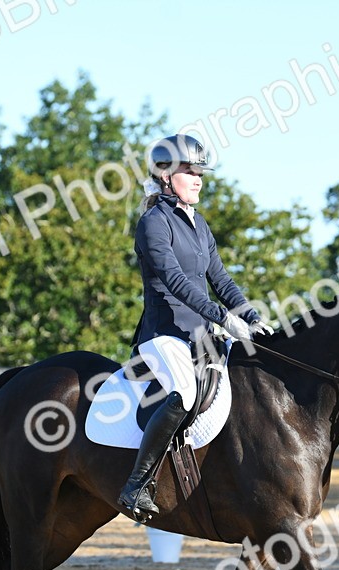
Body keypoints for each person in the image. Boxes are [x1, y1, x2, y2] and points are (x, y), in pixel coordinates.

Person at [117, 134, 273, 522]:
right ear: (165, 175)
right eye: (190, 171)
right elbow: (175, 281)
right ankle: (137, 484)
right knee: (185, 393)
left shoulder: (199, 224)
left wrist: (251, 317)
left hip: (202, 336)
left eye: (200, 172)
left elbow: (221, 279)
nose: (198, 179)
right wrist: (223, 318)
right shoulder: (153, 223)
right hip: (164, 334)